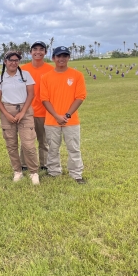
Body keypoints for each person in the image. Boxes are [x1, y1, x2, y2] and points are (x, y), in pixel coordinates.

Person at [40, 46, 87, 184]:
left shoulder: (77, 75)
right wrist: (56, 116)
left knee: (73, 148)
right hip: (51, 120)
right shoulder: (46, 77)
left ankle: (76, 174)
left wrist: (67, 115)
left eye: (65, 56)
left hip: (71, 120)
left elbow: (80, 97)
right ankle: (54, 171)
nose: (62, 59)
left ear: (68, 58)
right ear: (53, 58)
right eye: (59, 56)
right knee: (53, 148)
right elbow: (44, 99)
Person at [0, 51, 39, 185]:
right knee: (11, 144)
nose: (13, 62)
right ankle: (17, 171)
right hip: (7, 110)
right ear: (5, 61)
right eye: (11, 60)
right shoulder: (0, 78)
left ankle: (33, 172)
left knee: (28, 144)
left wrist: (22, 113)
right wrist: (7, 114)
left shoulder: (25, 75)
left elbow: (31, 95)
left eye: (16, 60)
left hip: (24, 110)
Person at [20, 41, 54, 172]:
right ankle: (24, 164)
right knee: (26, 141)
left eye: (41, 49)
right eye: (35, 49)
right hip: (27, 111)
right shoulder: (23, 69)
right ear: (30, 52)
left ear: (45, 52)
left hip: (44, 112)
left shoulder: (51, 70)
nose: (38, 52)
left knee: (43, 141)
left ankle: (44, 164)